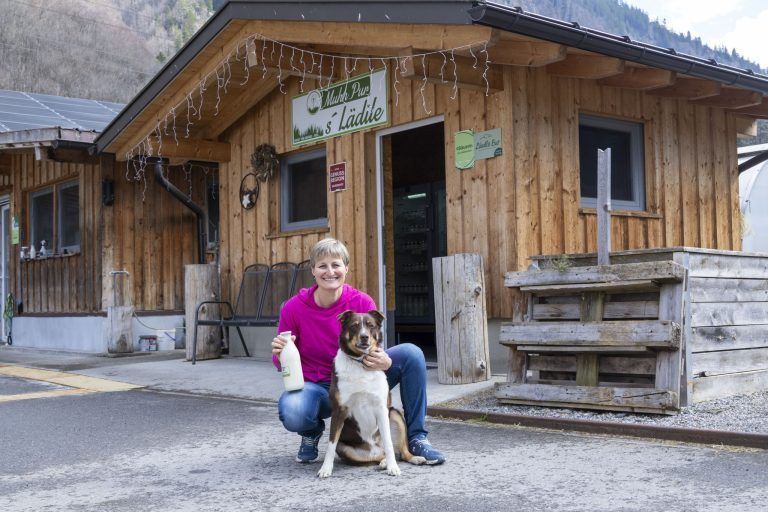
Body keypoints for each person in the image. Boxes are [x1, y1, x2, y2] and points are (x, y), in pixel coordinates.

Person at [271, 237, 445, 465]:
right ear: (313, 270)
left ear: (346, 268)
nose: (330, 271)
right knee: (294, 409)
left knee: (411, 353)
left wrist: (385, 361)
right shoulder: (294, 307)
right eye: (322, 265)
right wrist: (280, 353)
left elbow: (375, 346)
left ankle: (417, 438)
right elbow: (281, 364)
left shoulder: (361, 301)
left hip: (361, 375)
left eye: (336, 265)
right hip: (321, 387)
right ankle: (311, 432)